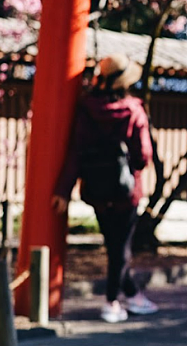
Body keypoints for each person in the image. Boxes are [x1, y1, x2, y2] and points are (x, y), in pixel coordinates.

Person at [54, 54, 159, 323]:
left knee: (114, 245)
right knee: (120, 249)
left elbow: (75, 151)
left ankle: (134, 295)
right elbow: (143, 156)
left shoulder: (86, 109)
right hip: (126, 191)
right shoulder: (134, 110)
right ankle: (112, 302)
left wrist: (63, 191)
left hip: (97, 191)